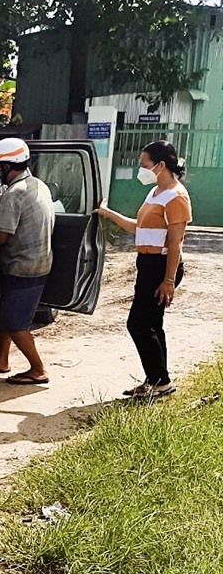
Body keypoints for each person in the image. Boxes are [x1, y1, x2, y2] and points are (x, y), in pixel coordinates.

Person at [96, 140, 191, 398]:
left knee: (138, 324)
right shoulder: (155, 193)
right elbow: (136, 227)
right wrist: (107, 213)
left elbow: (175, 243)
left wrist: (168, 280)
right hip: (147, 264)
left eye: (144, 164)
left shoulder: (176, 197)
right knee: (152, 324)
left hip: (161, 266)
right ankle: (157, 379)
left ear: (160, 165)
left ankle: (160, 381)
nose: (141, 169)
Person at [0, 138, 56, 385]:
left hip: (23, 267)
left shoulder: (14, 194)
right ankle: (1, 359)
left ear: (9, 166)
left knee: (15, 322)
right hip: (38, 261)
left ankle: (38, 369)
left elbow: (1, 236)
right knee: (5, 313)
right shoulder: (38, 185)